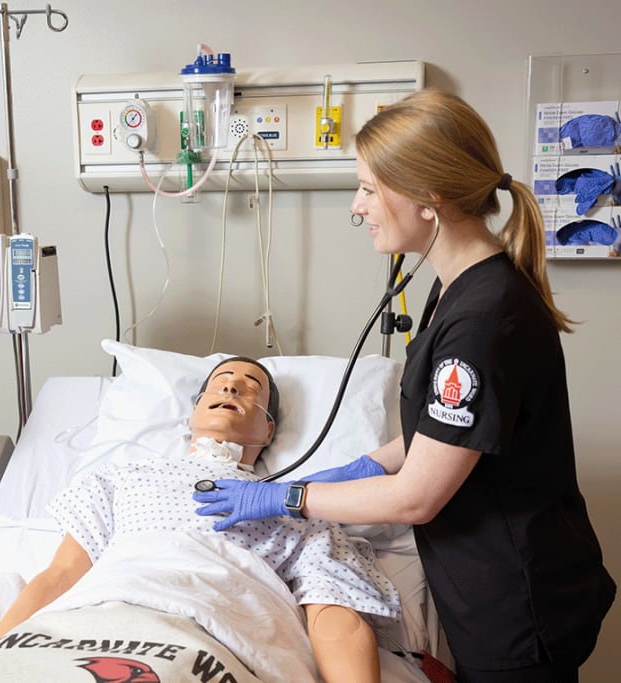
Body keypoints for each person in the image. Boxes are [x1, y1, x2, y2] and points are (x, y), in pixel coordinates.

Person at [193, 90, 616, 683]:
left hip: (518, 603)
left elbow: (417, 496)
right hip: (492, 590)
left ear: (428, 197)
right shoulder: (457, 290)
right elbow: (445, 432)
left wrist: (285, 499)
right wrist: (355, 468)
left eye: (368, 187)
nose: (357, 206)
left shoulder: (485, 319)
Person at [0, 357, 401, 683]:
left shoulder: (300, 504)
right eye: (220, 382)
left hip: (206, 635)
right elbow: (59, 577)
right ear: (193, 414)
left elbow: (333, 618)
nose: (231, 388)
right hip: (88, 624)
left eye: (250, 387)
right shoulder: (122, 479)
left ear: (268, 430)